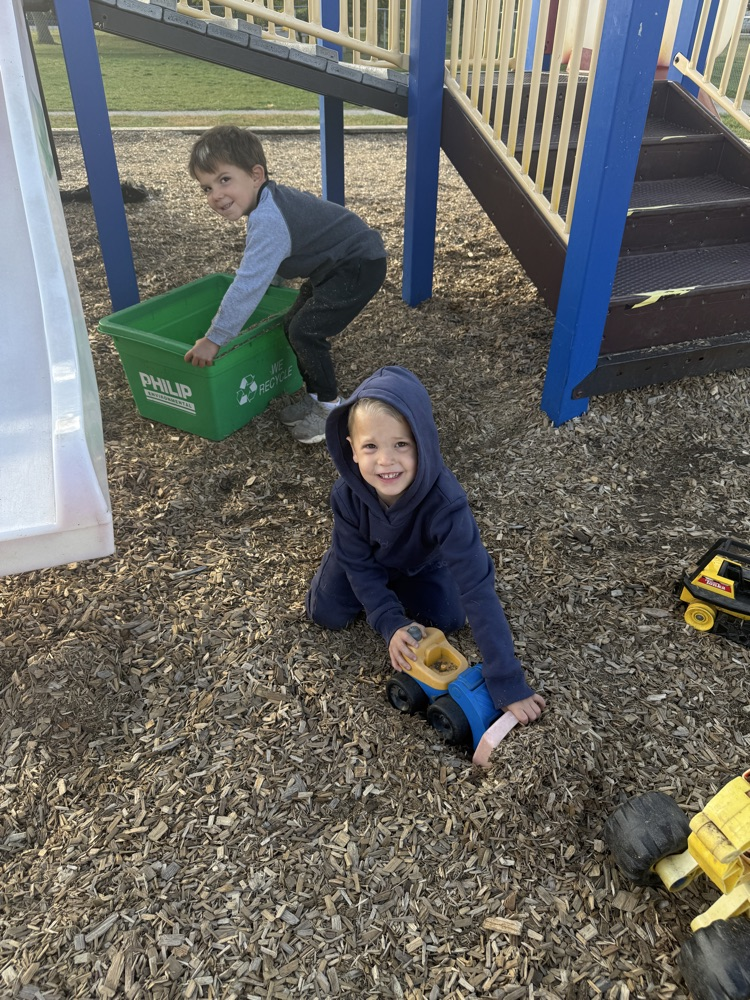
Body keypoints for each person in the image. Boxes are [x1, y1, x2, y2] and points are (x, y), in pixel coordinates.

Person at [306, 366, 546, 725]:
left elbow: (477, 588)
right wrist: (390, 621)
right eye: (370, 446)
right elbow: (358, 564)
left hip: (421, 562)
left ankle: (399, 585)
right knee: (325, 614)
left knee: (449, 618)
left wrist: (507, 681)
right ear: (352, 450)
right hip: (363, 558)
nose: (386, 461)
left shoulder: (446, 503)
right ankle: (376, 590)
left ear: (425, 443)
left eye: (401, 444)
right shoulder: (346, 494)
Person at [183, 125, 387, 445]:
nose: (216, 195)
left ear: (256, 175)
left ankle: (330, 408)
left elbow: (248, 283)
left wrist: (215, 338)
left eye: (224, 179)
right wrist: (272, 278)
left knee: (306, 329)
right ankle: (317, 393)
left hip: (357, 265)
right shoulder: (267, 201)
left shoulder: (267, 218)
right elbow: (288, 247)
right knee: (293, 322)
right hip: (335, 265)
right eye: (206, 188)